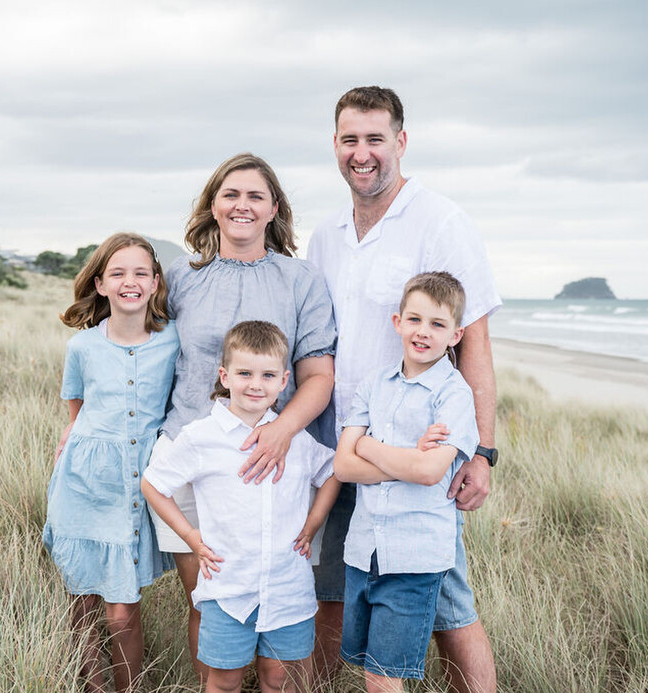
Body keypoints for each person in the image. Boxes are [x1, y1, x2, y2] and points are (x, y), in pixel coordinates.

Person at [307, 86, 501, 693]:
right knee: (334, 593)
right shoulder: (326, 235)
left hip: (420, 453)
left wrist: (483, 452)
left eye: (375, 139)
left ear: (401, 142)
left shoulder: (440, 221)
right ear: (335, 145)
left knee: (445, 605)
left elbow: (476, 344)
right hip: (339, 446)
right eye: (349, 140)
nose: (361, 153)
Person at [148, 153, 336, 679]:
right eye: (231, 194)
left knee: (283, 599)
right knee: (207, 604)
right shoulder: (181, 279)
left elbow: (319, 376)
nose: (242, 206)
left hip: (278, 456)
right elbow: (138, 346)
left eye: (256, 196)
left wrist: (280, 431)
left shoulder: (301, 281)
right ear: (213, 205)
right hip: (193, 453)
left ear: (274, 208)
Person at [143, 321, 342, 693]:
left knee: (281, 677)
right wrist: (190, 535)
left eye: (267, 375)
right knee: (224, 680)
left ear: (284, 381)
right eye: (245, 373)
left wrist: (314, 522)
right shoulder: (201, 437)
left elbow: (334, 471)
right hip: (228, 588)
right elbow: (153, 484)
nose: (255, 384)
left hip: (287, 586)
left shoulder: (295, 437)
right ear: (225, 375)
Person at [42, 232, 180, 693]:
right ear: (100, 284)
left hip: (136, 485)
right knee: (82, 595)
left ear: (156, 282)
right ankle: (94, 683)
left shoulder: (172, 340)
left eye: (141, 273)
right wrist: (72, 438)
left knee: (123, 608)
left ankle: (129, 687)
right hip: (84, 483)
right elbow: (77, 413)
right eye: (118, 273)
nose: (130, 282)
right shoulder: (81, 347)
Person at [335, 272, 479, 692]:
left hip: (413, 557)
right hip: (365, 550)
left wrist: (371, 447)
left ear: (456, 335)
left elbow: (429, 472)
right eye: (415, 320)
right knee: (369, 672)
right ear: (397, 322)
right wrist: (408, 456)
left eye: (438, 324)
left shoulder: (454, 394)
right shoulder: (374, 385)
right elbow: (344, 466)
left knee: (384, 677)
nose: (423, 332)